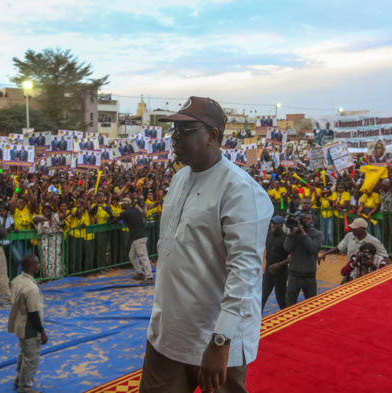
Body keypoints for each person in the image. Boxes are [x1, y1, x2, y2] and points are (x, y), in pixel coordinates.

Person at [140, 96, 273, 393]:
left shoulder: (240, 191)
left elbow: (245, 274)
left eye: (185, 131)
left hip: (215, 341)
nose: (174, 138)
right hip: (168, 333)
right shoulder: (178, 179)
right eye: (174, 130)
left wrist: (221, 341)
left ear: (212, 135)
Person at [8, 254, 48, 393]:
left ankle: (19, 378)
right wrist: (42, 332)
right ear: (31, 267)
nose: (39, 264)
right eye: (37, 263)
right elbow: (33, 313)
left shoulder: (17, 280)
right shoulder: (31, 288)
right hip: (29, 328)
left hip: (19, 323)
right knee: (31, 358)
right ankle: (25, 388)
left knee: (23, 353)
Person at [107, 197, 153, 284]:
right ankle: (140, 273)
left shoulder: (126, 213)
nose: (121, 205)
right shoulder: (135, 210)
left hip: (138, 236)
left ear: (126, 204)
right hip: (140, 236)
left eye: (123, 204)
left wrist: (110, 222)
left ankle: (149, 277)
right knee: (132, 255)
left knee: (143, 257)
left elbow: (117, 220)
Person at [284, 212, 324, 307]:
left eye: (308, 218)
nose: (306, 220)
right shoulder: (294, 233)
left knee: (311, 306)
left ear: (313, 221)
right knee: (290, 304)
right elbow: (287, 248)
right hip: (294, 276)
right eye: (304, 218)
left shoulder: (318, 234)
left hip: (309, 276)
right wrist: (291, 231)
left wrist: (302, 231)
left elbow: (313, 248)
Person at [318, 218, 389, 263]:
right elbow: (339, 248)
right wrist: (325, 253)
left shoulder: (373, 241)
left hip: (366, 272)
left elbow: (385, 256)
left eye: (356, 228)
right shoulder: (349, 235)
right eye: (352, 228)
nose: (353, 230)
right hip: (351, 269)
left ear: (363, 229)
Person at [262, 216, 290, 311]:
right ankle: (256, 321)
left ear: (281, 225)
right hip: (268, 273)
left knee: (281, 299)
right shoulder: (269, 235)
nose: (273, 225)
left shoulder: (286, 238)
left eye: (276, 224)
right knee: (262, 297)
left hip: (281, 274)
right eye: (273, 223)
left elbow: (293, 256)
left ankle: (286, 319)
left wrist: (279, 264)